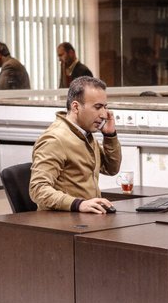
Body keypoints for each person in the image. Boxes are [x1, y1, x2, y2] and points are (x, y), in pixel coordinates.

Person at [30, 76, 122, 214]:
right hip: (63, 219)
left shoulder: (85, 134)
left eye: (105, 107)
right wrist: (78, 204)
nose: (104, 114)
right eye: (97, 107)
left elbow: (111, 169)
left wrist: (110, 136)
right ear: (76, 107)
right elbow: (38, 189)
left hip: (87, 216)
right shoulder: (55, 139)